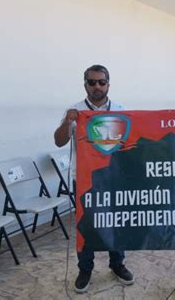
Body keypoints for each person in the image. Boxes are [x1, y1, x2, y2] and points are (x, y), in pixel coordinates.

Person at [54, 64, 134, 293]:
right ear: (85, 85)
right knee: (86, 227)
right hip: (85, 180)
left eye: (101, 82)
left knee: (115, 224)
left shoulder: (121, 109)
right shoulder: (75, 111)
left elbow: (128, 144)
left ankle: (117, 264)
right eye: (92, 82)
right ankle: (85, 269)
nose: (97, 86)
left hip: (114, 179)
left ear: (108, 84)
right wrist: (67, 123)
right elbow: (59, 141)